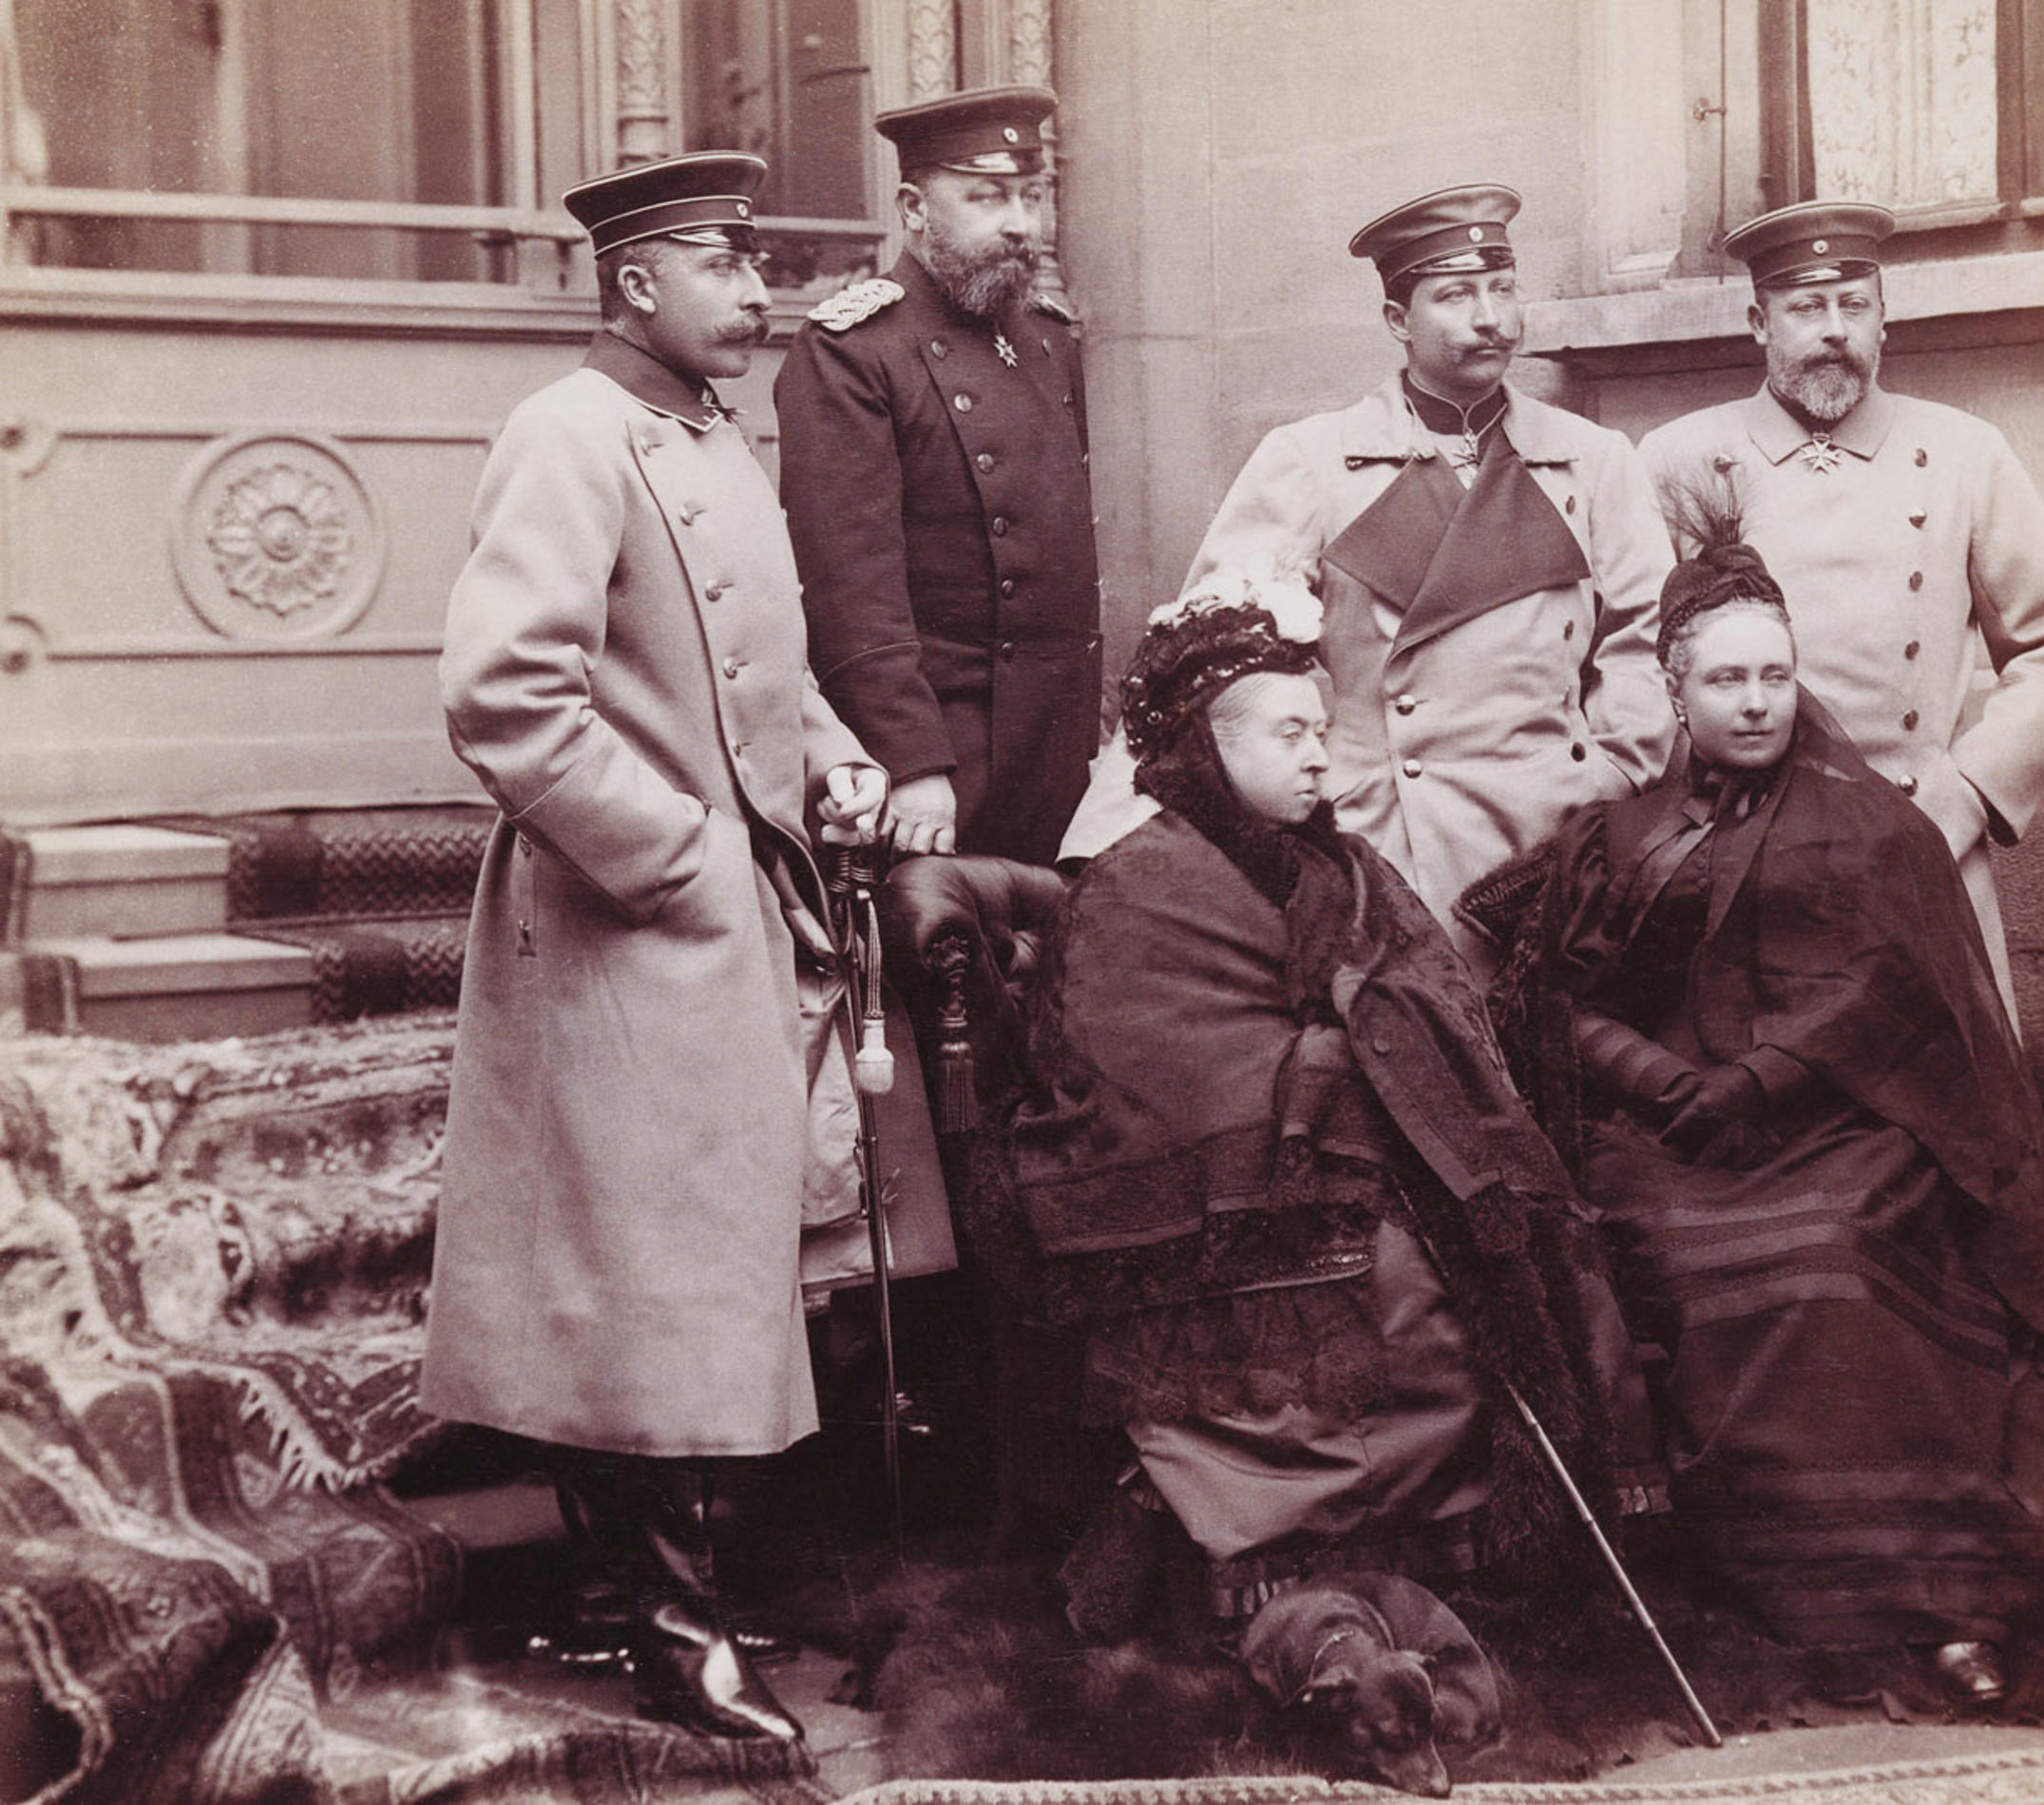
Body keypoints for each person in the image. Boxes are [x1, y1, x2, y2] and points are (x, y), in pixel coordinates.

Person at [1463, 504, 2044, 1705]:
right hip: (1662, 1136)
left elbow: (1893, 992)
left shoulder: (1872, 823)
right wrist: (1660, 1079)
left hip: (1847, 1125)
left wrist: (1761, 1077)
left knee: (1830, 1250)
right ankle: (1788, 1574)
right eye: (1725, 679)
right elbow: (1555, 994)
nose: (1756, 700)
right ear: (1673, 687)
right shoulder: (1621, 831)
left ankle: (1929, 1591)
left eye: (1774, 673)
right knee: (1679, 1253)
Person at [422, 151, 892, 1743]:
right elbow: (504, 697)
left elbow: (759, 673)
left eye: (757, 262)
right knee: (643, 1276)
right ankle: (670, 1630)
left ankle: (672, 1599)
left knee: (707, 1268)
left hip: (731, 908)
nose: (759, 293)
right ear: (633, 283)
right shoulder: (566, 434)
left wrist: (834, 758)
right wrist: (677, 854)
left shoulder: (712, 436)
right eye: (725, 264)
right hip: (626, 915)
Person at [997, 576, 1656, 1632]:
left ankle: (1481, 1557)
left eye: (1322, 730)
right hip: (1240, 1185)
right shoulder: (1138, 884)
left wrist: (1380, 1052)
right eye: (1288, 733)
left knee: (1537, 1232)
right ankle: (1294, 1549)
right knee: (1402, 1281)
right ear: (1208, 750)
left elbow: (1430, 996)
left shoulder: (1345, 866)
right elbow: (1144, 1062)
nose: (1318, 755)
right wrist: (1326, 1074)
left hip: (1358, 1151)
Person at [1059, 185, 1673, 973]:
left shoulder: (1592, 460)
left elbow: (1647, 640)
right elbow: (1206, 657)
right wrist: (1110, 842)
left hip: (1552, 837)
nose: (1490, 316)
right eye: (1455, 295)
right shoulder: (1310, 461)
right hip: (1376, 840)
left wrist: (1611, 771)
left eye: (1502, 287)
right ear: (1396, 322)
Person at [1635, 200, 2044, 1016]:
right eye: (1805, 308)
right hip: (1735, 851)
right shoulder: (1677, 459)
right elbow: (1635, 654)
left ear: (1883, 321)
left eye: (1854, 306)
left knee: (1939, 1101)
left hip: (1915, 839)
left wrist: (1965, 793)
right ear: (1759, 321)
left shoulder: (1962, 453)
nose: (1833, 330)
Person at [775, 85, 1100, 866]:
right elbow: (849, 585)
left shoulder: (1050, 339)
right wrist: (912, 762)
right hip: (942, 754)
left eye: (1030, 195)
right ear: (913, 208)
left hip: (1056, 744)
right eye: (985, 196)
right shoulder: (850, 350)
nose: (1019, 222)